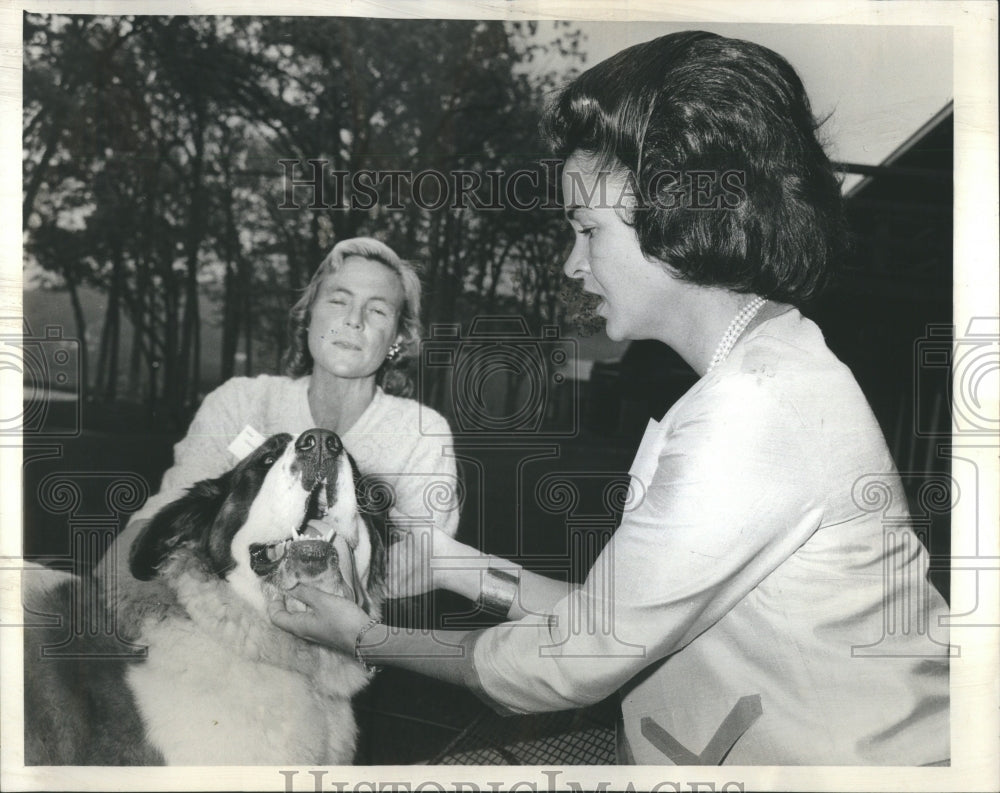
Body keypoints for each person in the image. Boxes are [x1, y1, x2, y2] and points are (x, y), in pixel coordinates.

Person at [268, 32, 950, 766]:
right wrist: (444, 561)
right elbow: (618, 617)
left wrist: (358, 632)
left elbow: (567, 661)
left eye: (587, 229)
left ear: (674, 211)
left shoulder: (756, 410)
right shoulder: (760, 368)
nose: (572, 261)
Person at [99, 237, 460, 605]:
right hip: (230, 618)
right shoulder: (240, 400)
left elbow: (420, 565)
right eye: (338, 300)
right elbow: (169, 511)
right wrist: (105, 598)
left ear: (398, 338)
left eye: (378, 310)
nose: (354, 320)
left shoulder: (421, 431)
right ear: (307, 317)